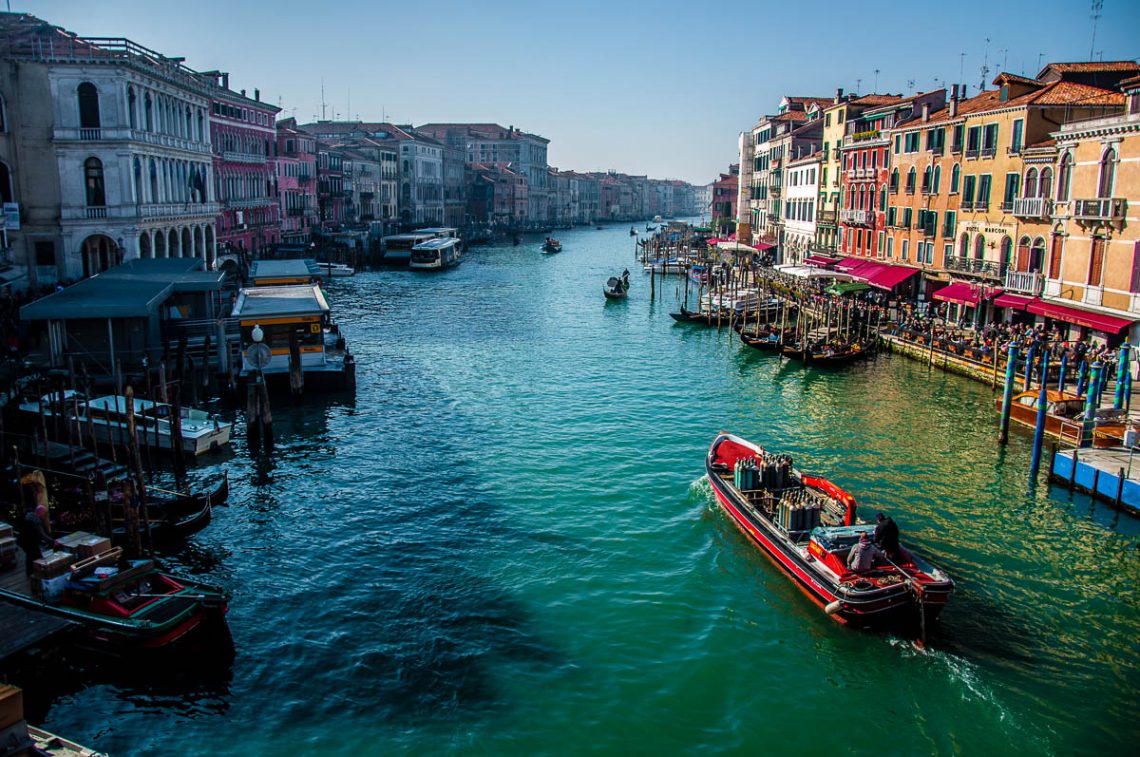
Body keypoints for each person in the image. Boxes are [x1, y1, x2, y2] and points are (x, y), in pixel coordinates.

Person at [16, 505, 55, 577]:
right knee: (33, 556)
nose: (45, 515)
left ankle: (32, 572)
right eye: (44, 513)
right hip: (28, 541)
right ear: (41, 512)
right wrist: (52, 541)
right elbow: (42, 534)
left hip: (23, 540)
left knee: (32, 555)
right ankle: (32, 574)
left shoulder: (28, 516)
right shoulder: (36, 521)